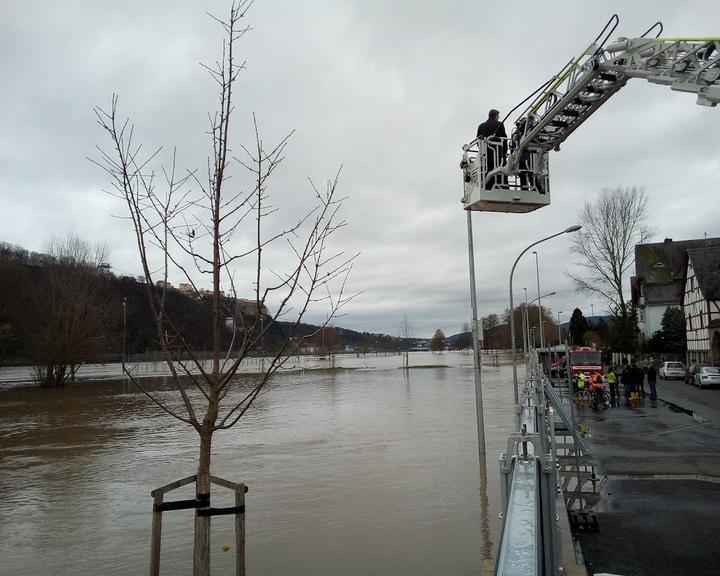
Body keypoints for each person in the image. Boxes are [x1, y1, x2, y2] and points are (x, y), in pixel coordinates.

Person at [476, 109, 507, 188]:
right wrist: (504, 153)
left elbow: (478, 141)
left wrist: (482, 150)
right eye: (498, 116)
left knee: (487, 170)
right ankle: (503, 186)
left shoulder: (481, 126)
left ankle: (488, 186)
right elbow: (504, 139)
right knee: (501, 170)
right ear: (496, 115)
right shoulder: (499, 124)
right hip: (498, 153)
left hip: (485, 154)